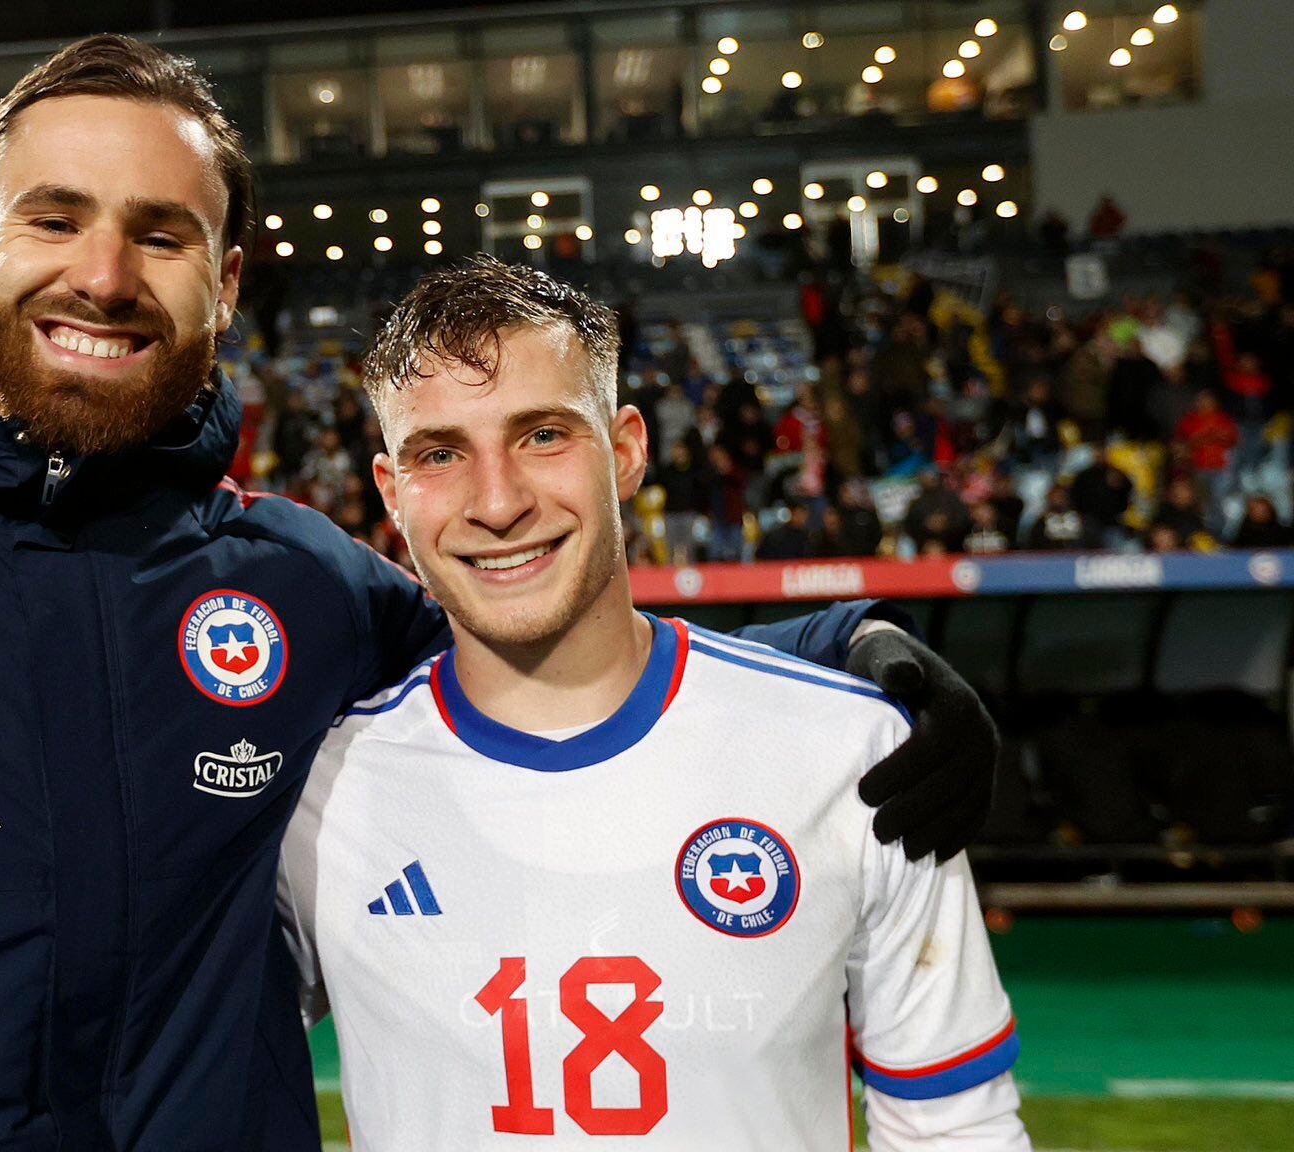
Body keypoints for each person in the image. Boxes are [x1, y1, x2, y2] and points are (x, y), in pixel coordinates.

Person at [0, 36, 997, 1152]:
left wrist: (836, 655)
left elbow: (533, 644)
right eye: (56, 218)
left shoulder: (304, 586)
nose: (105, 274)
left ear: (227, 279)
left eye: (160, 232)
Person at [280, 259, 1028, 1150]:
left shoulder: (857, 754)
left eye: (544, 435)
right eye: (440, 454)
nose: (498, 500)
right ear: (391, 492)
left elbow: (957, 1129)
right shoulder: (317, 799)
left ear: (626, 449)